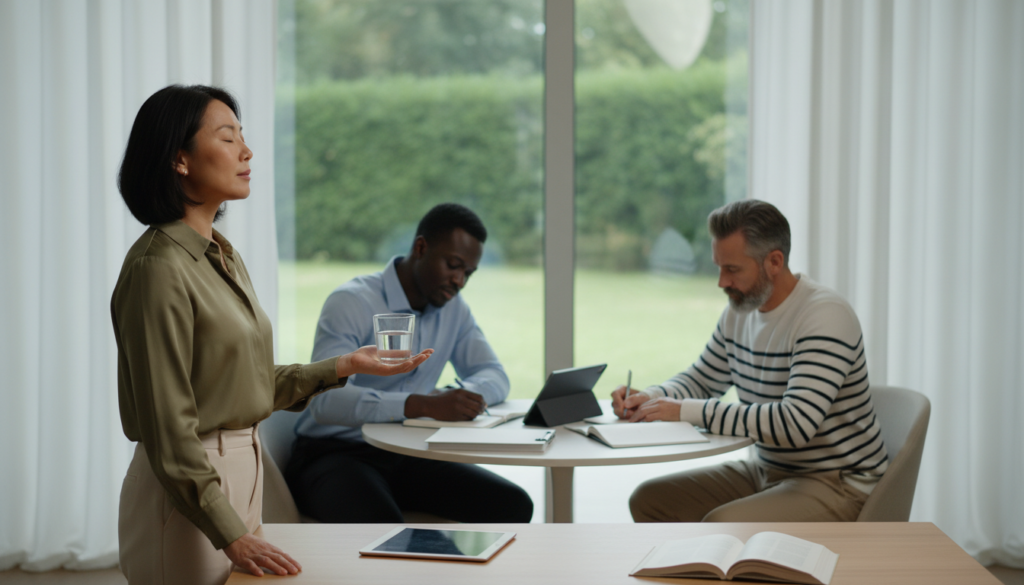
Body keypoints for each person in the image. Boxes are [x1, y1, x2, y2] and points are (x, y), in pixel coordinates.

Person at [111, 85, 432, 585]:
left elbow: (247, 382)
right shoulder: (158, 268)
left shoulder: (221, 254)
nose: (247, 151)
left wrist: (345, 365)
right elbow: (167, 428)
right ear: (179, 158)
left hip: (242, 474)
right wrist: (230, 532)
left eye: (243, 135)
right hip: (189, 492)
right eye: (227, 137)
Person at [614, 200, 889, 523]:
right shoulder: (739, 312)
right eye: (719, 267)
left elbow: (795, 424)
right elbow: (703, 380)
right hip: (769, 469)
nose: (721, 282)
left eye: (732, 269)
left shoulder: (824, 315)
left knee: (724, 524)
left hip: (838, 481)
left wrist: (684, 410)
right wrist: (651, 397)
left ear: (774, 261)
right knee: (650, 501)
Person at [285, 203, 534, 523]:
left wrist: (460, 397)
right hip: (334, 453)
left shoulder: (454, 310)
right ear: (420, 248)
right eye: (453, 265)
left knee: (512, 504)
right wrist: (422, 405)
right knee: (384, 528)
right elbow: (324, 399)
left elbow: (494, 374)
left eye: (467, 273)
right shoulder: (351, 302)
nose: (459, 281)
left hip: (409, 452)